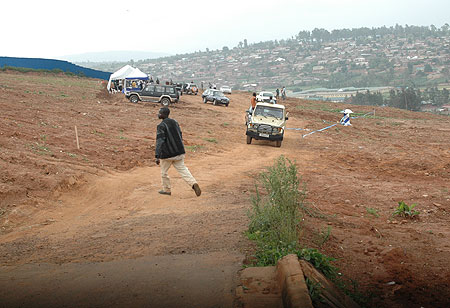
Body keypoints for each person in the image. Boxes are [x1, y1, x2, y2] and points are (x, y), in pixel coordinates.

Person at [155, 107, 201, 197]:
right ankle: (193, 183)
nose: (158, 114)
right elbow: (180, 134)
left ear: (164, 114)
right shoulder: (175, 122)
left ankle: (166, 189)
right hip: (179, 152)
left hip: (167, 154)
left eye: (159, 113)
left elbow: (159, 141)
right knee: (183, 170)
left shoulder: (161, 126)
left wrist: (157, 155)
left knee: (164, 172)